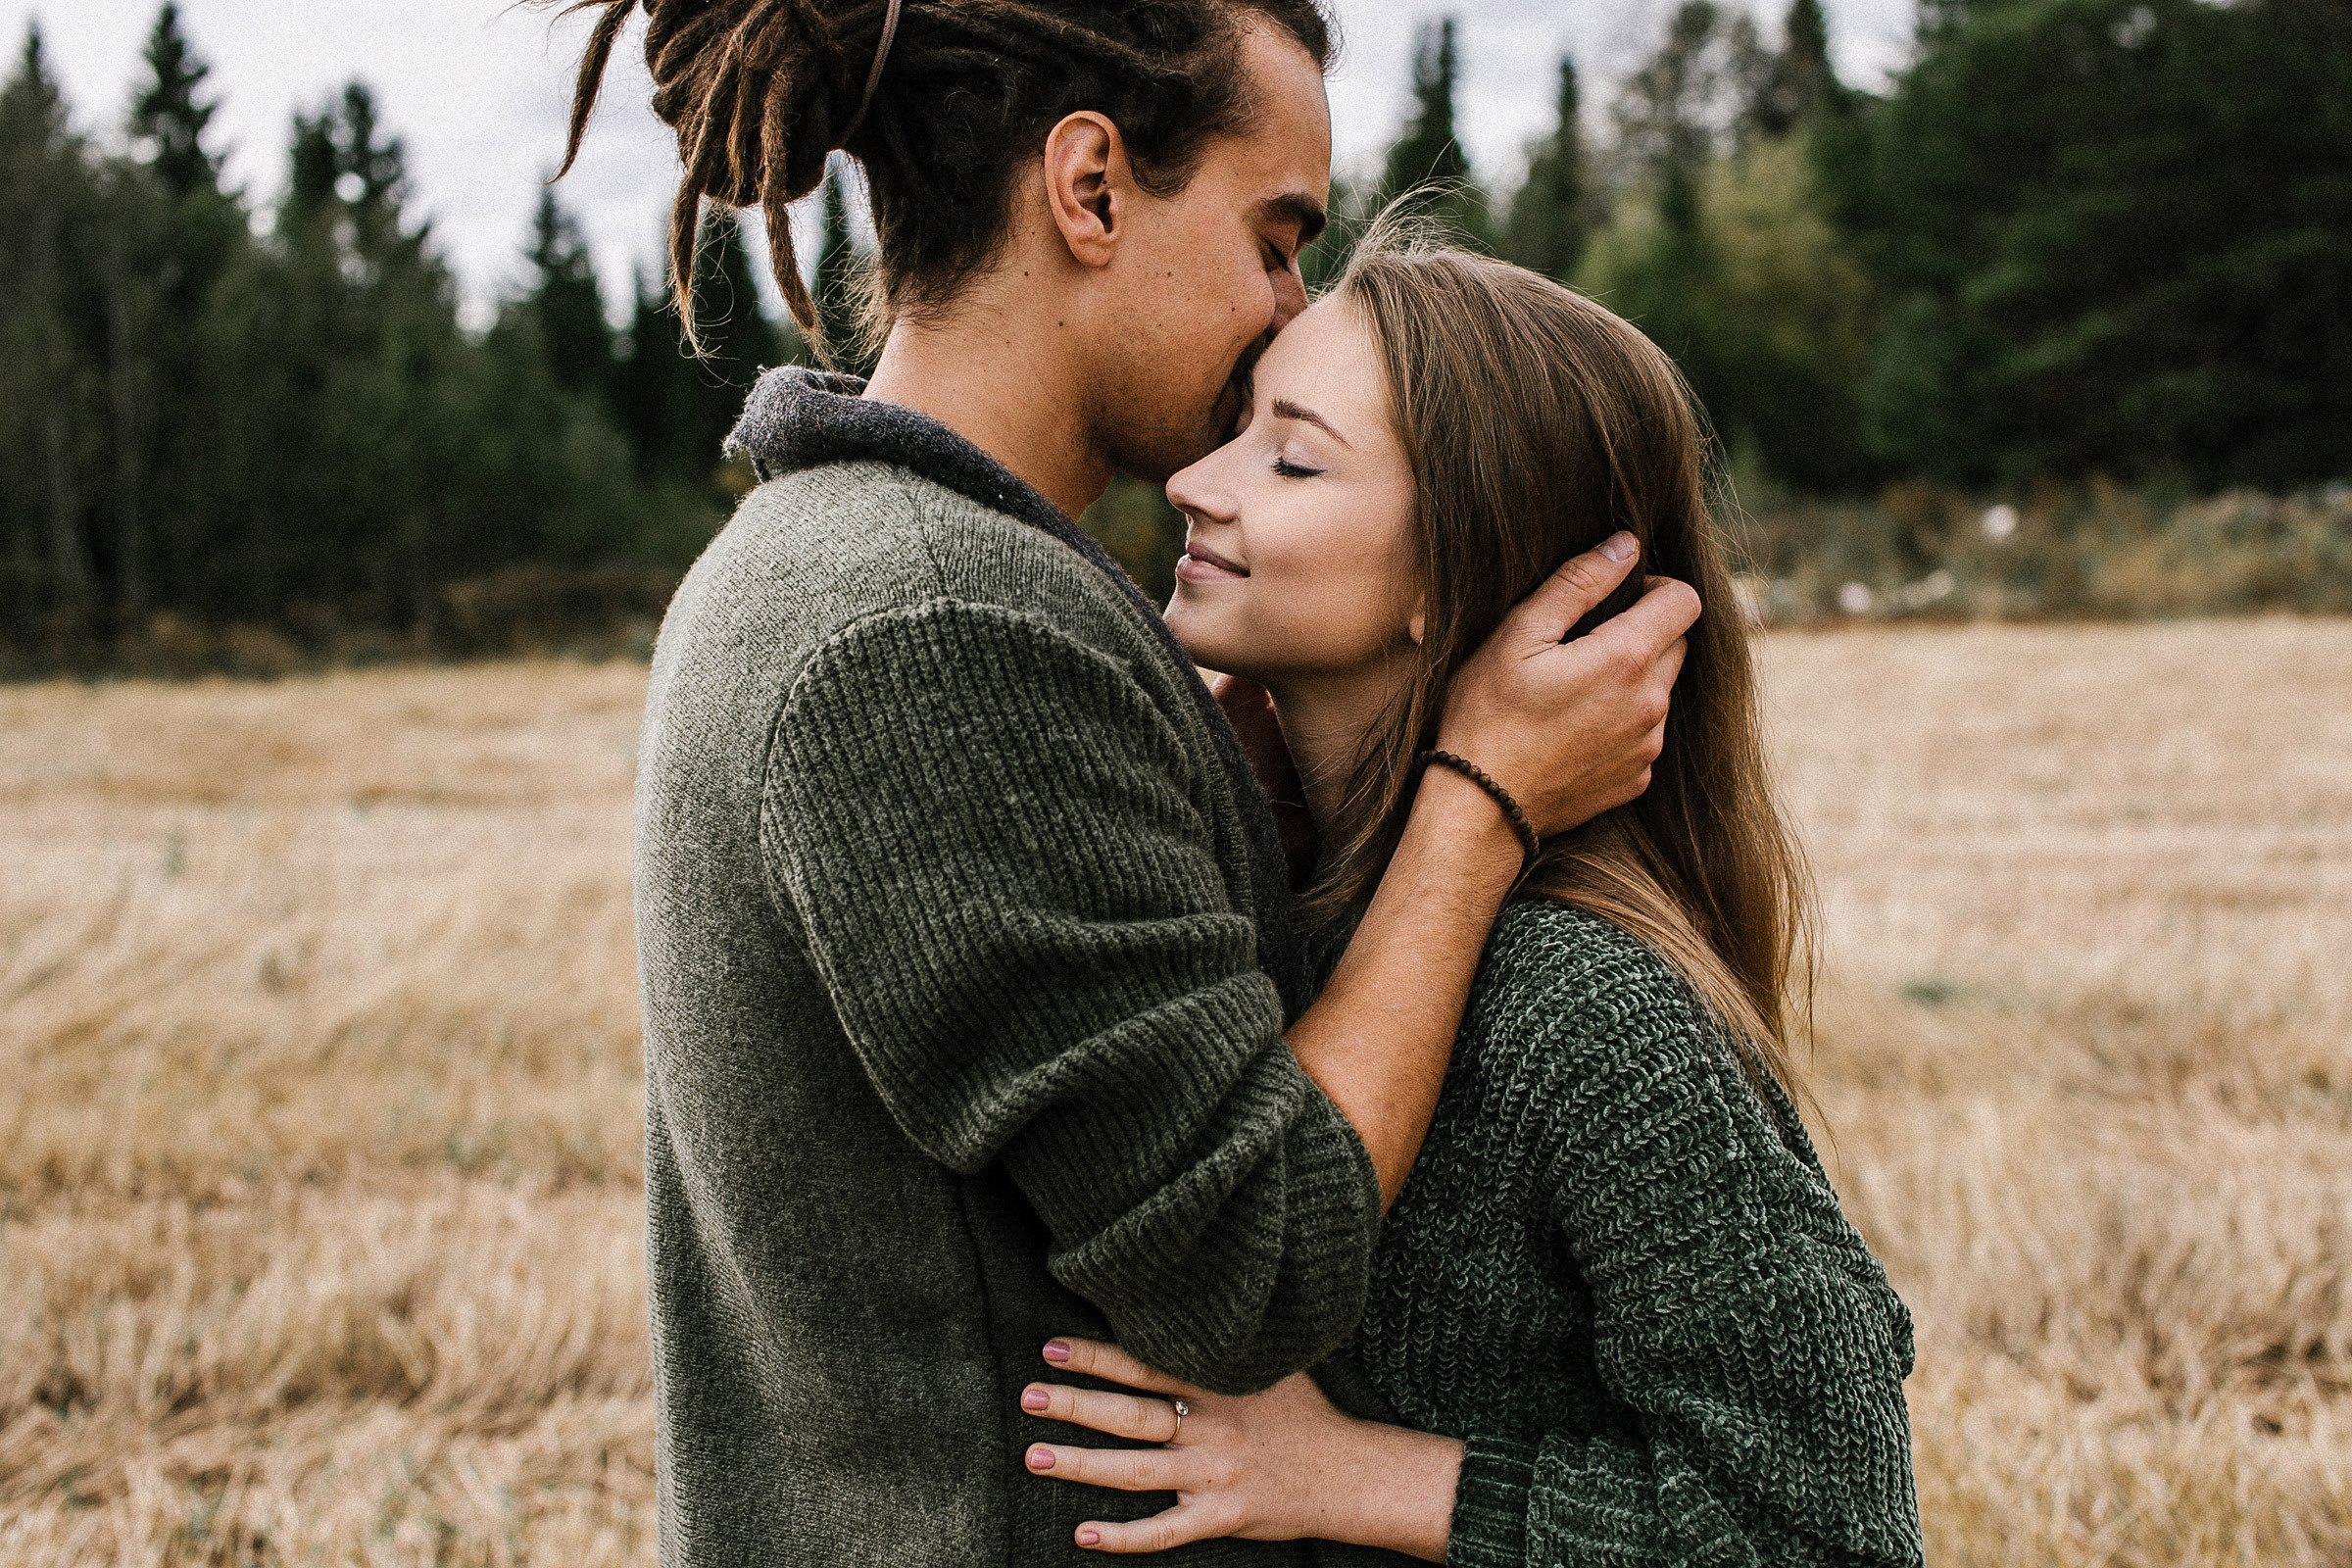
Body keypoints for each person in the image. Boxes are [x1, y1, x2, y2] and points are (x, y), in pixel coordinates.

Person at [549, 2, 1700, 1564]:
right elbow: (1259, 1264)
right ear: (1089, 186)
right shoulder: (936, 623)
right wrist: (1477, 798)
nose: (1291, 306)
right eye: (1276, 235)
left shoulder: (861, 570)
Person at [1013, 231, 1924, 1565]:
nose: (1196, 482)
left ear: (1449, 574)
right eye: (1236, 428)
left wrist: (1350, 1478)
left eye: (1290, 454)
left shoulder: (1583, 1006)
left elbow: (1827, 1529)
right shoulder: (1269, 913)